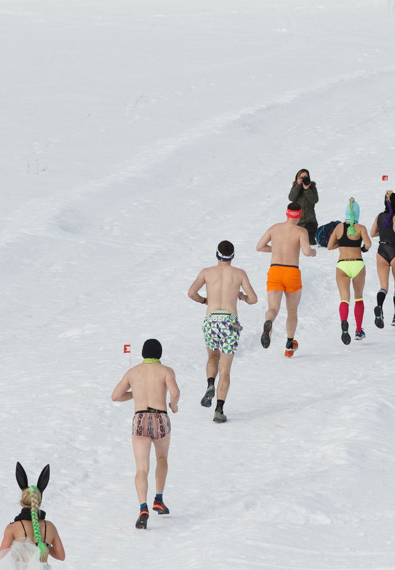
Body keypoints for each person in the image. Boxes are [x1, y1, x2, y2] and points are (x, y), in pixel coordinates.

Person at [110, 339, 179, 528]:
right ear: (160, 354)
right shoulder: (166, 371)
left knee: (141, 469)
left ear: (143, 354)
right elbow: (174, 391)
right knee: (162, 458)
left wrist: (137, 393)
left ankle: (143, 507)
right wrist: (174, 405)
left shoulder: (133, 372)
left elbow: (115, 396)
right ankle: (158, 498)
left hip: (140, 419)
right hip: (160, 418)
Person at [186, 241, 257, 423]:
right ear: (232, 256)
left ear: (217, 255)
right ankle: (219, 409)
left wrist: (204, 301)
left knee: (212, 358)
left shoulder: (206, 272)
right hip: (230, 322)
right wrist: (241, 296)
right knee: (225, 370)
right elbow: (254, 299)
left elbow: (191, 293)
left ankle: (210, 383)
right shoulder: (239, 274)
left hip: (211, 320)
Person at [256, 203, 317, 357]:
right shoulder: (301, 231)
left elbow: (260, 247)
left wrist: (276, 248)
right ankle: (289, 344)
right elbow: (306, 251)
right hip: (292, 272)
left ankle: (269, 322)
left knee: (273, 308)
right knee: (292, 310)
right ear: (299, 215)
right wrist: (313, 252)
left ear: (287, 213)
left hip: (275, 270)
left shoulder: (274, 228)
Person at [0, 463, 65, 569]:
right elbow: (61, 556)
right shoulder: (50, 526)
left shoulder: (13, 528)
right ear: (39, 503)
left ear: (21, 502)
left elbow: (2, 554)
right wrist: (44, 546)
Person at [327, 198, 373, 344]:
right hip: (357, 264)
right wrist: (362, 249)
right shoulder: (361, 228)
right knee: (358, 297)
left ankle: (344, 325)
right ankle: (358, 330)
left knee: (344, 299)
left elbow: (329, 246)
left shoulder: (338, 227)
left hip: (342, 265)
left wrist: (341, 245)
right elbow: (368, 244)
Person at [369, 190, 395, 328]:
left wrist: (384, 232)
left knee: (383, 286)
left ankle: (379, 307)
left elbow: (372, 233)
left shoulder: (379, 216)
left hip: (381, 252)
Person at [287, 169, 319, 240]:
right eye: (301, 177)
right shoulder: (295, 187)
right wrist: (298, 186)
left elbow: (314, 200)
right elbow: (291, 198)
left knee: (310, 241)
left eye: (305, 177)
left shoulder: (312, 188)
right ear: (297, 178)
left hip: (310, 221)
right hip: (297, 221)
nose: (304, 179)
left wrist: (307, 189)